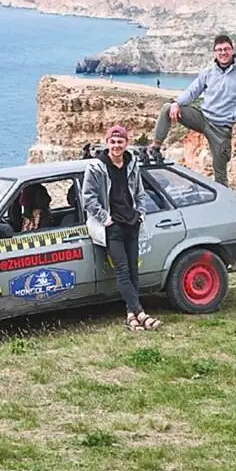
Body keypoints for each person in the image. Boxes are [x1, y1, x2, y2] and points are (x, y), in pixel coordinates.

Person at [82, 124, 161, 331]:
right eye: (113, 142)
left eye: (120, 142)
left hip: (131, 223)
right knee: (122, 271)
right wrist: (105, 218)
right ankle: (141, 313)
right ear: (107, 143)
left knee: (134, 270)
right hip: (112, 227)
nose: (116, 146)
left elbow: (140, 193)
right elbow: (87, 198)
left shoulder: (132, 164)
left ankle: (130, 315)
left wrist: (141, 214)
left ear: (127, 143)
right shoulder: (96, 167)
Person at [148, 34, 236, 187]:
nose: (223, 53)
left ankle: (223, 207)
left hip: (221, 128)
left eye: (226, 49)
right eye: (219, 50)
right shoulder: (208, 72)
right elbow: (192, 91)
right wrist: (177, 103)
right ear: (214, 53)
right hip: (202, 118)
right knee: (167, 108)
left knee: (221, 176)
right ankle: (155, 148)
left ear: (232, 51)